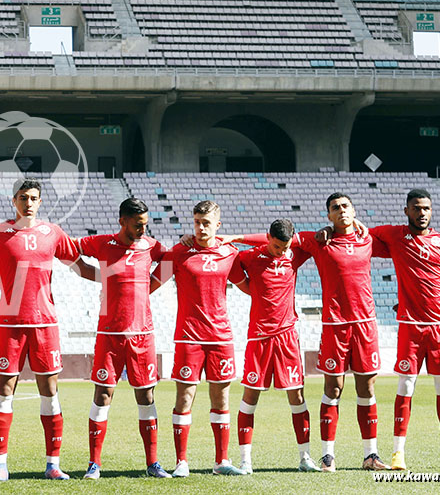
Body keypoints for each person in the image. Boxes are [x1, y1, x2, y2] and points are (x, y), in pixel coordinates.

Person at [219, 193, 388, 471]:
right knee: (261, 395)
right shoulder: (306, 243)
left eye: (346, 206)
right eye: (336, 207)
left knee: (329, 392)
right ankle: (262, 460)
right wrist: (234, 238)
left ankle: (361, 455)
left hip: (341, 327)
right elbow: (237, 270)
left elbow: (396, 240)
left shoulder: (304, 252)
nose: (280, 251)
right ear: (328, 214)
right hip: (296, 331)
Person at [0, 178, 83, 481]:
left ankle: (53, 464)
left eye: (33, 198)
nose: (27, 203)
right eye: (22, 197)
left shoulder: (52, 232)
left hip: (45, 324)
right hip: (10, 325)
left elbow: (79, 260)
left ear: (40, 202)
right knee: (4, 391)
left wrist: (111, 278)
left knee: (50, 392)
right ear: (13, 201)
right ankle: (0, 464)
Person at [367, 189, 440, 470]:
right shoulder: (396, 236)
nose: (422, 213)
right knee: (405, 385)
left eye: (426, 208)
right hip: (410, 326)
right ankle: (398, 453)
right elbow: (362, 234)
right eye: (416, 208)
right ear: (406, 210)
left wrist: (428, 303)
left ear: (430, 211)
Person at [152, 200, 250, 477]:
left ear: (218, 225)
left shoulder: (230, 253)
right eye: (196, 221)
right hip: (188, 337)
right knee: (185, 398)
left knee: (221, 398)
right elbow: (151, 283)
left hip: (220, 336)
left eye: (206, 222)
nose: (200, 227)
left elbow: (250, 286)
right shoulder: (180, 252)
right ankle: (182, 462)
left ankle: (221, 462)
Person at [77, 198, 172, 479]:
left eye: (146, 224)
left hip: (143, 333)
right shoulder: (103, 243)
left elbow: (171, 261)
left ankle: (153, 463)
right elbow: (68, 252)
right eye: (138, 225)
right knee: (103, 394)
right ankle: (94, 464)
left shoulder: (152, 247)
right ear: (122, 222)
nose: (143, 230)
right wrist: (99, 276)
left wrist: (149, 285)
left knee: (146, 395)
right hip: (109, 333)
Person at [233, 219, 320, 474]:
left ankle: (305, 458)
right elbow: (233, 269)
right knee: (250, 398)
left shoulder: (294, 255)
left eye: (285, 247)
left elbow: (312, 238)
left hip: (287, 338)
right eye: (276, 246)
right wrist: (251, 289)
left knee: (297, 397)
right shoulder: (249, 257)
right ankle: (245, 461)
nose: (281, 251)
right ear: (267, 237)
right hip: (259, 338)